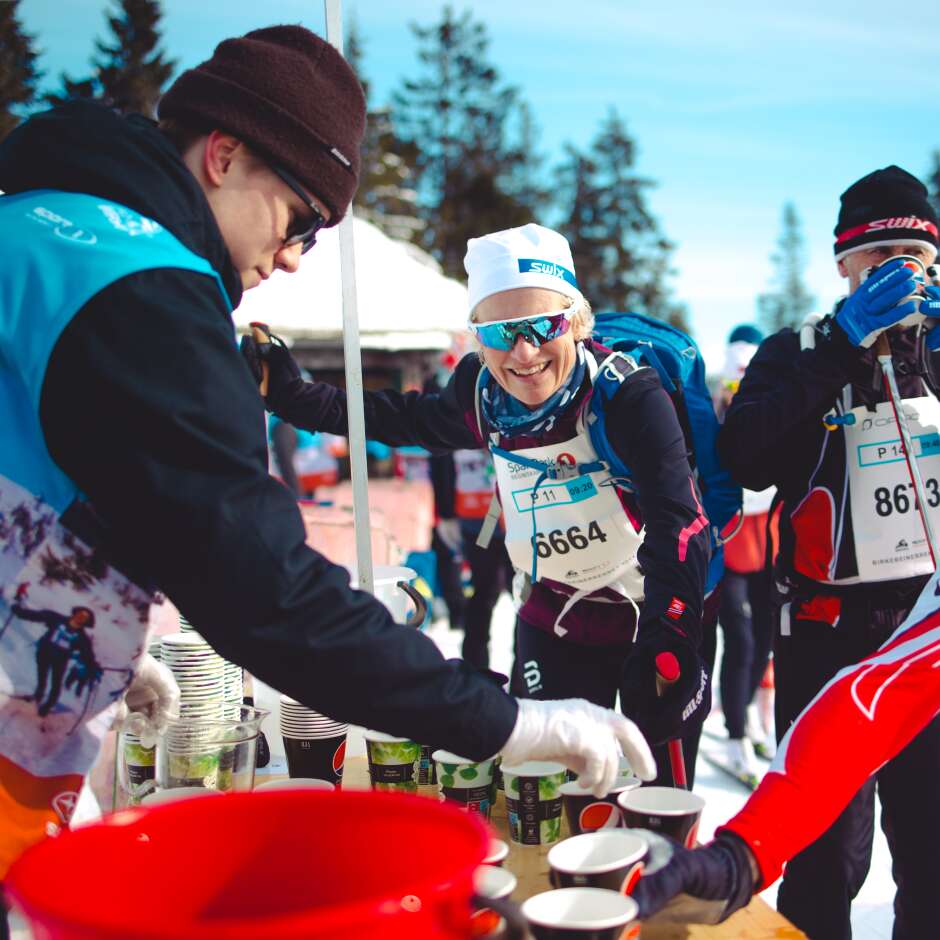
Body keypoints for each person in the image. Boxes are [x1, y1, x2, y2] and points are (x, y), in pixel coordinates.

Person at [0, 25, 656, 915]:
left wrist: (76, 626)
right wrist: (505, 724)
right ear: (225, 154)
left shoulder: (42, 225)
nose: (298, 255)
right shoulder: (141, 286)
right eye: (303, 217)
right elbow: (263, 586)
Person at [241, 222, 713, 786]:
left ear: (576, 322)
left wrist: (672, 636)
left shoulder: (625, 396)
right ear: (477, 337)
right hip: (553, 619)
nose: (525, 350)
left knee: (654, 797)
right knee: (547, 790)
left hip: (647, 615)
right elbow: (404, 418)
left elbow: (679, 522)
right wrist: (297, 399)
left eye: (545, 325)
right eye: (501, 331)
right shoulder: (483, 392)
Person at [711, 166, 940, 939]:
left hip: (925, 635)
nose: (901, 278)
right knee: (823, 858)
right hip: (825, 630)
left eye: (918, 259)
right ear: (844, 265)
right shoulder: (798, 349)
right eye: (881, 260)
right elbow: (744, 459)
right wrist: (843, 346)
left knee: (932, 849)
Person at [632, 561, 940, 928]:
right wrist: (743, 856)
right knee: (828, 865)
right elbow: (882, 695)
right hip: (821, 607)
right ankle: (737, 734)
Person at [714, 325, 776, 783]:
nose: (737, 395)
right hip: (728, 537)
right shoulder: (714, 416)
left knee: (766, 638)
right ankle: (735, 736)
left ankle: (751, 712)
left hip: (769, 535)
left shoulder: (770, 405)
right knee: (740, 639)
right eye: (732, 386)